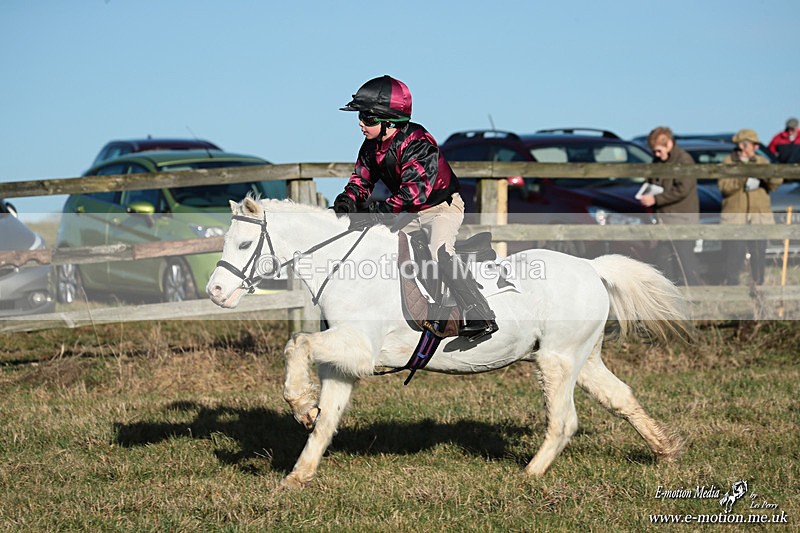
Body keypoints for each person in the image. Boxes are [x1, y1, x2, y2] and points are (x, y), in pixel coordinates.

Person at [332, 75, 498, 338]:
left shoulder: (418, 142)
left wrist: (374, 213)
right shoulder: (371, 146)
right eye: (360, 117)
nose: (361, 124)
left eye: (368, 118)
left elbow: (413, 194)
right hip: (409, 211)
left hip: (440, 208)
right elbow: (361, 180)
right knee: (380, 246)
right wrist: (346, 202)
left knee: (439, 252)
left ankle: (480, 313)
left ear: (389, 122)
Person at [718, 129, 783, 285]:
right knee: (734, 255)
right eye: (752, 144)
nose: (755, 148)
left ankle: (758, 286)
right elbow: (724, 187)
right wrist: (742, 178)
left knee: (758, 255)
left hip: (758, 217)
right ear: (742, 145)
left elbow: (776, 182)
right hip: (735, 218)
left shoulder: (762, 162)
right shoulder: (728, 162)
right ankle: (732, 287)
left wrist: (762, 174)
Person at [638, 126, 702, 285]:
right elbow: (651, 180)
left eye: (659, 151)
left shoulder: (684, 161)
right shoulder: (658, 161)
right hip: (663, 221)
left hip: (682, 220)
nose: (656, 154)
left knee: (685, 263)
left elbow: (683, 189)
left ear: (668, 144)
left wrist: (656, 199)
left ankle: (695, 294)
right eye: (654, 151)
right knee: (664, 263)